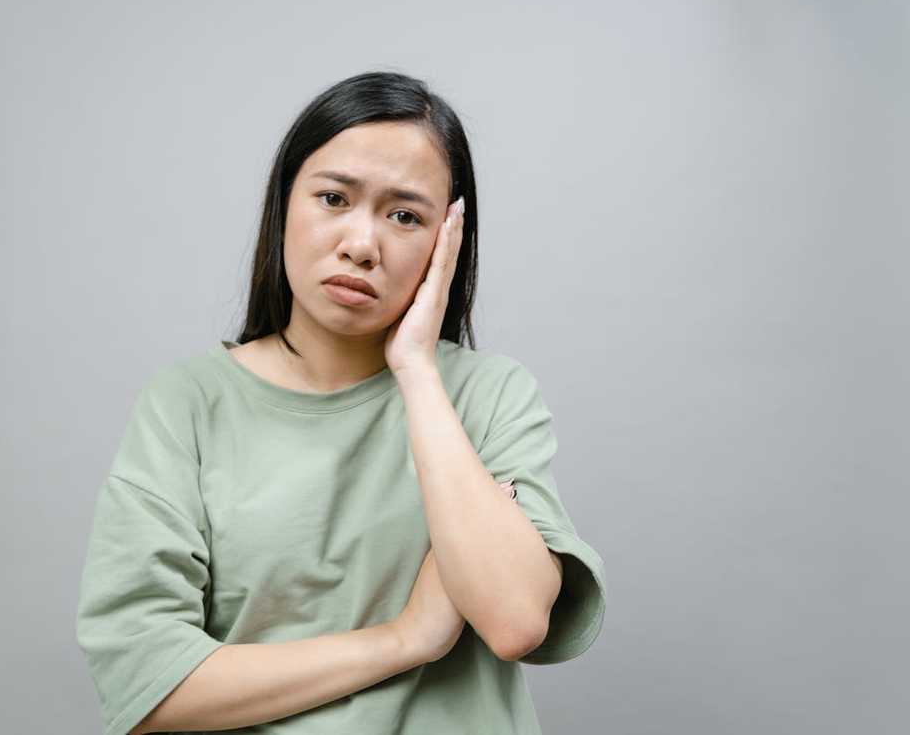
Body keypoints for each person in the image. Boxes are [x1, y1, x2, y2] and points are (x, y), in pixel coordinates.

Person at [75, 70, 607, 735]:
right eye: (333, 198)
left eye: (405, 216)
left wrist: (415, 369)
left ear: (448, 241)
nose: (361, 244)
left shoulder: (489, 396)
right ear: (284, 204)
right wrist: (406, 639)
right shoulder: (187, 404)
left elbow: (516, 619)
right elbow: (144, 688)